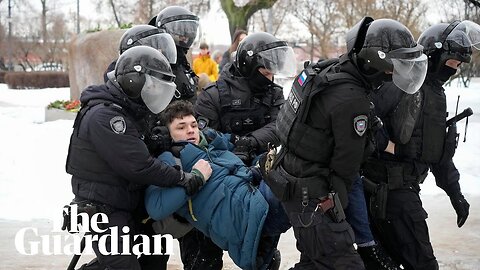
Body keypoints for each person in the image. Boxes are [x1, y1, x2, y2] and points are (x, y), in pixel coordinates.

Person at [267, 17, 428, 269]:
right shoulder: (352, 101)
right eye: (395, 65)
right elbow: (346, 167)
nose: (396, 72)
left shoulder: (329, 71)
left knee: (315, 262)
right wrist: (337, 217)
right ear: (377, 60)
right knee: (344, 264)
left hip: (295, 179)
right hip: (313, 195)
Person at [65, 46, 212, 270]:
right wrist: (183, 178)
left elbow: (142, 145)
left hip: (124, 203)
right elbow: (139, 166)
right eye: (151, 85)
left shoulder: (128, 110)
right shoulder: (106, 116)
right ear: (135, 81)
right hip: (102, 208)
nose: (154, 92)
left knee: (154, 257)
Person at [362, 20, 478, 270]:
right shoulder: (399, 84)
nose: (454, 70)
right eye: (452, 63)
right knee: (423, 264)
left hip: (402, 190)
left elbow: (437, 152)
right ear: (435, 56)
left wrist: (454, 192)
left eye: (458, 65)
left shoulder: (436, 95)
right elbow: (363, 122)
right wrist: (389, 146)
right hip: (389, 192)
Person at [192, 31, 297, 269]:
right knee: (203, 257)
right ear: (250, 65)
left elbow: (281, 125)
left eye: (273, 73)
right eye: (266, 72)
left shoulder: (275, 94)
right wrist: (232, 147)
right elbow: (200, 137)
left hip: (259, 180)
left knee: (263, 255)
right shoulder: (214, 96)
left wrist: (249, 142)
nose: (270, 78)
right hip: (218, 183)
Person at [144, 100, 291, 270]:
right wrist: (196, 178)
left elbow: (237, 165)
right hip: (245, 219)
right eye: (181, 127)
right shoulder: (170, 161)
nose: (190, 130)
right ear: (169, 134)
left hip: (256, 202)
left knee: (296, 171)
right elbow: (155, 207)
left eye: (193, 125)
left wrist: (259, 167)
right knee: (301, 185)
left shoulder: (214, 147)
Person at [151, 6, 200, 103]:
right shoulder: (155, 62)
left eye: (186, 34)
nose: (184, 38)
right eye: (180, 34)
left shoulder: (182, 62)